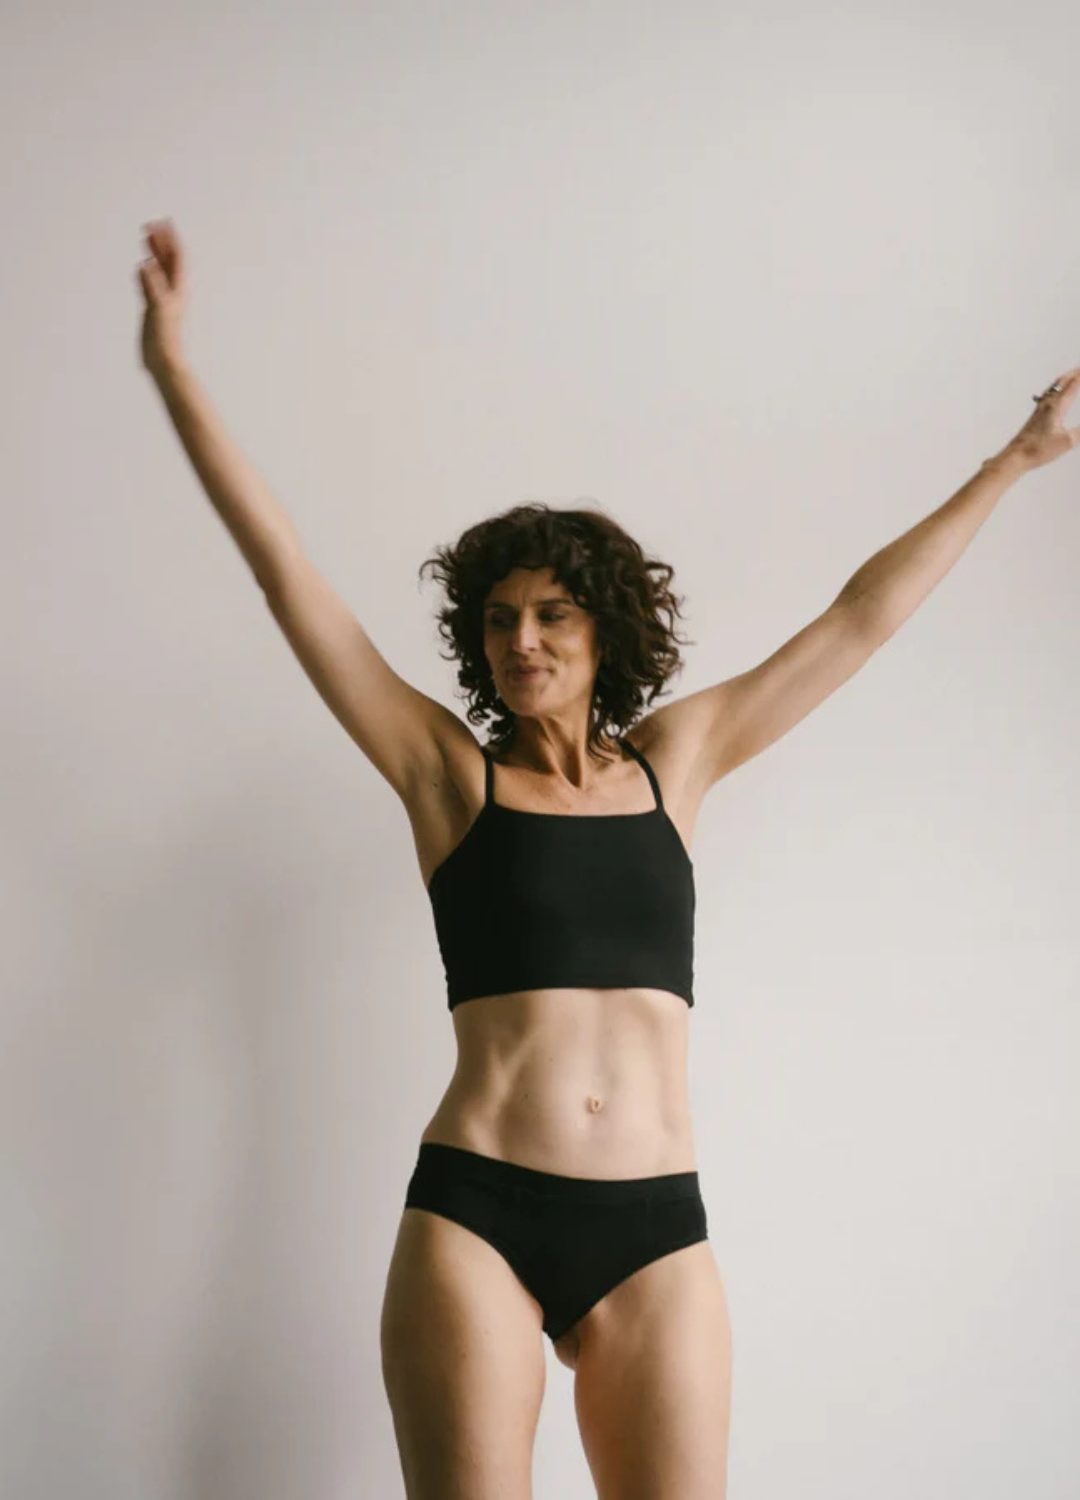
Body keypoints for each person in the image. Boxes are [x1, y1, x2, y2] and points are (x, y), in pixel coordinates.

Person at [137, 218, 1079, 1500]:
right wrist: (174, 370)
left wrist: (1013, 461)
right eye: (500, 620)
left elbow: (857, 619)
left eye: (552, 614)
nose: (521, 640)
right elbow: (284, 574)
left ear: (603, 632)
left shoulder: (674, 762)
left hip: (654, 1225)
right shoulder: (447, 777)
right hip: (476, 1212)